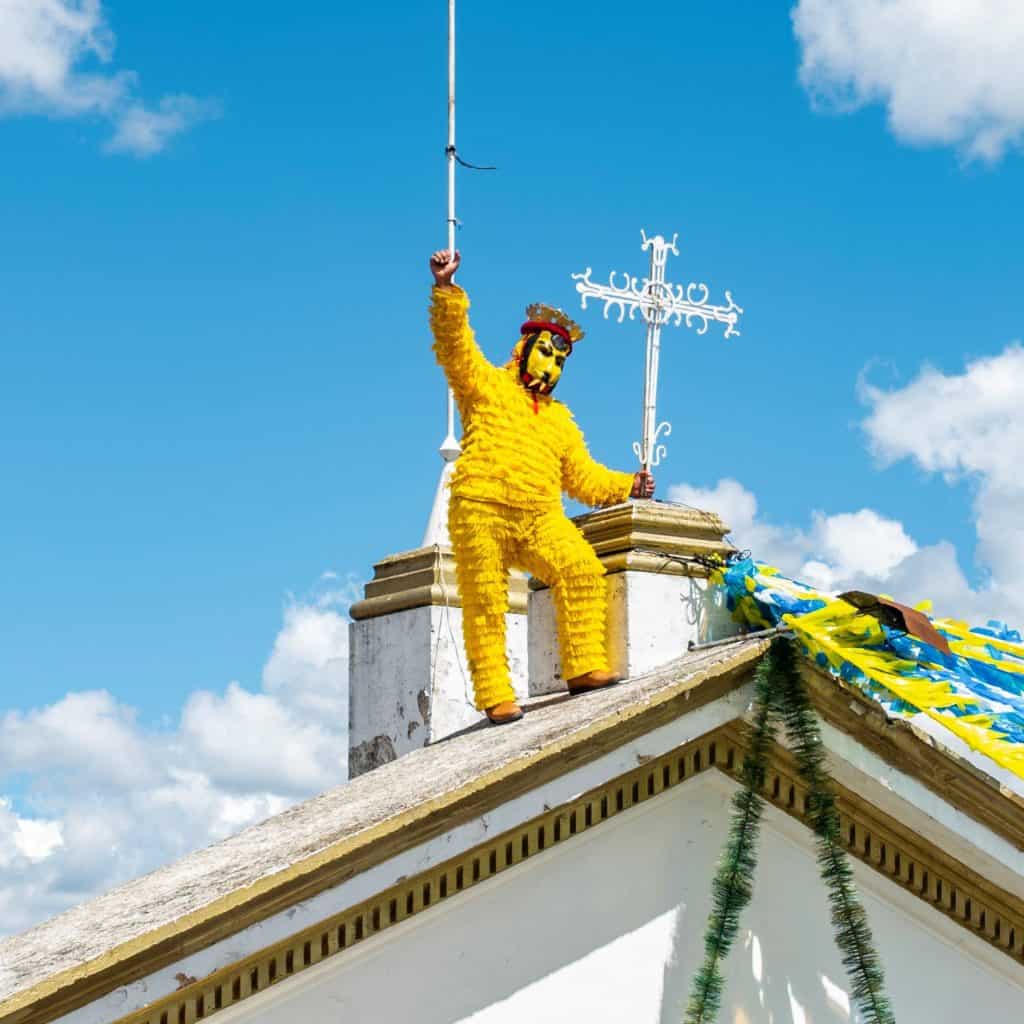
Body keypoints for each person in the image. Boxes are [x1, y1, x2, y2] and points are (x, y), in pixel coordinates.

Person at [428, 249, 655, 724]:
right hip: (480, 509)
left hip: (539, 516)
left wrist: (629, 484)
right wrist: (447, 292)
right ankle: (495, 695)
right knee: (486, 602)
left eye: (560, 360)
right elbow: (456, 350)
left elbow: (584, 479)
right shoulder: (487, 386)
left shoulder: (560, 423)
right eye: (546, 352)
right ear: (522, 350)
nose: (551, 366)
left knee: (580, 568)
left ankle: (583, 667)